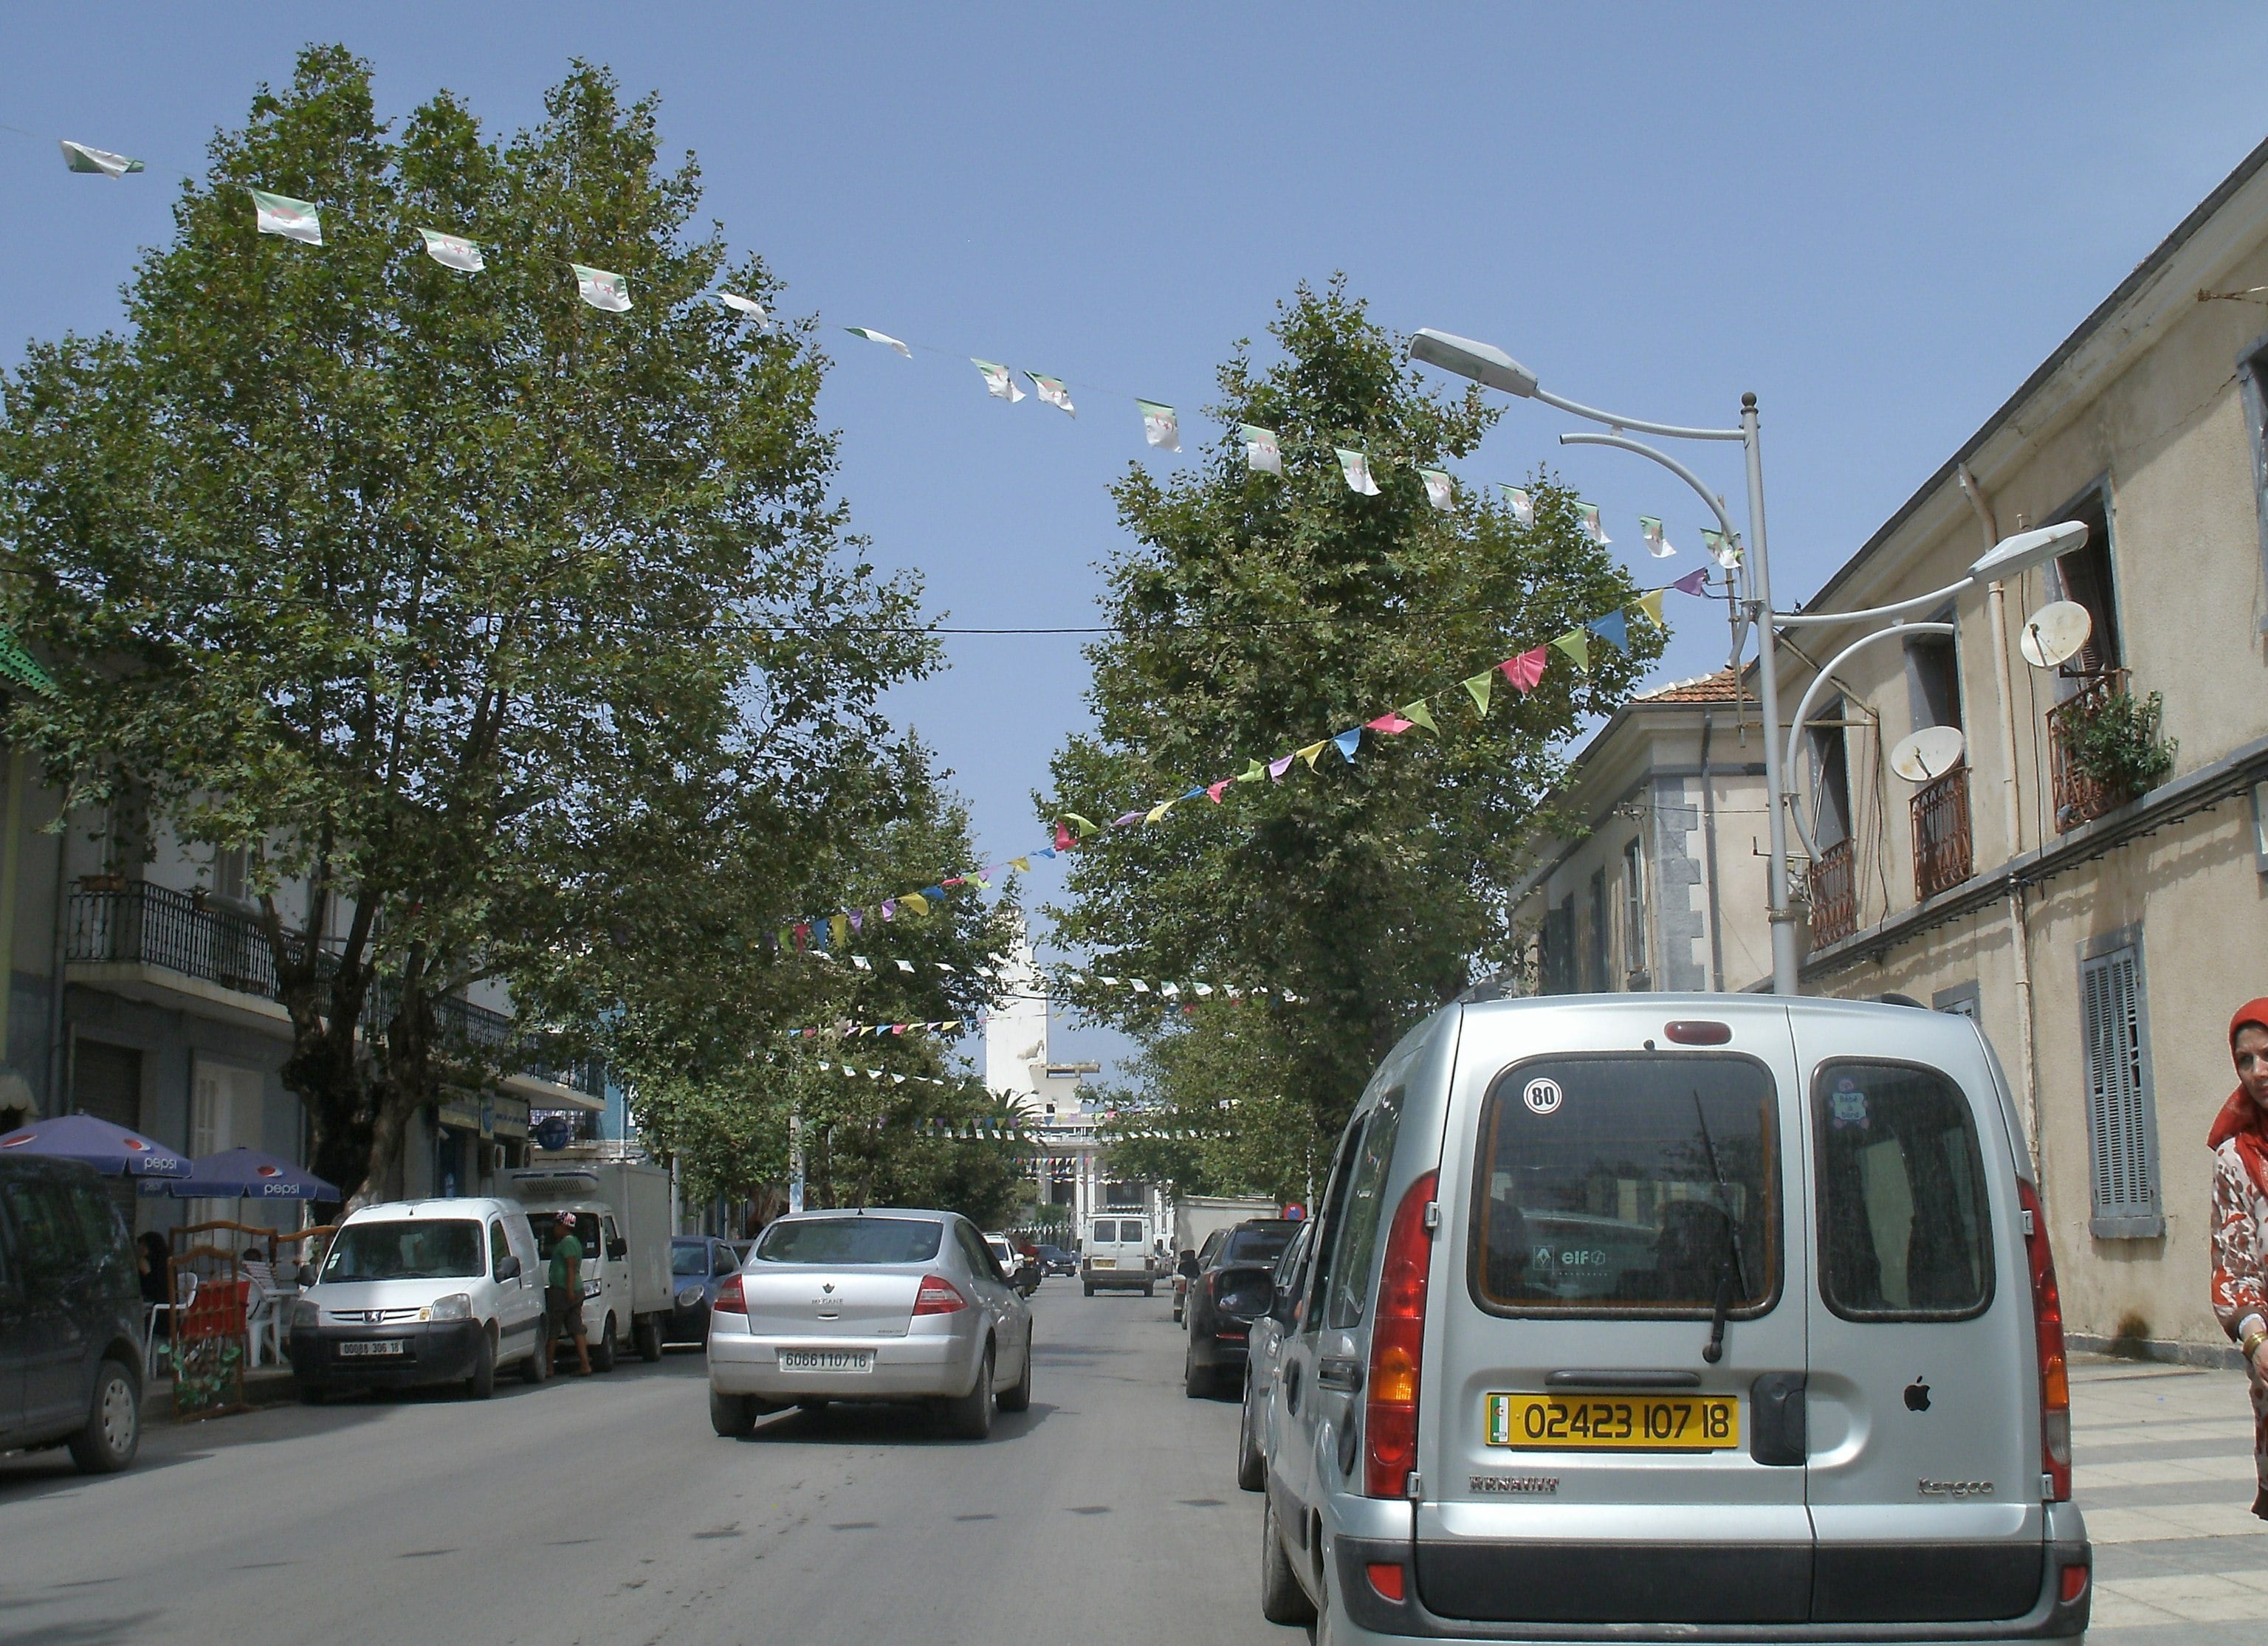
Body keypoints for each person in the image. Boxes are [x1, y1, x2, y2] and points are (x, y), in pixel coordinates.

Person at [2207, 996, 2268, 1518]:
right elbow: (2234, 1263)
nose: (2258, 1071)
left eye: (2267, 1055)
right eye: (2245, 1060)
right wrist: (2255, 1340)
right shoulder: (2237, 1159)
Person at [547, 1212, 592, 1375]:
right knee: (576, 1328)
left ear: (563, 1226)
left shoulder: (567, 1243)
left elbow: (571, 1267)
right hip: (571, 1290)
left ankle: (549, 1367)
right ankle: (585, 1364)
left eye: (556, 1225)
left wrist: (569, 1289)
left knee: (554, 1329)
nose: (554, 1229)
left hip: (563, 1291)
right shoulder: (573, 1242)